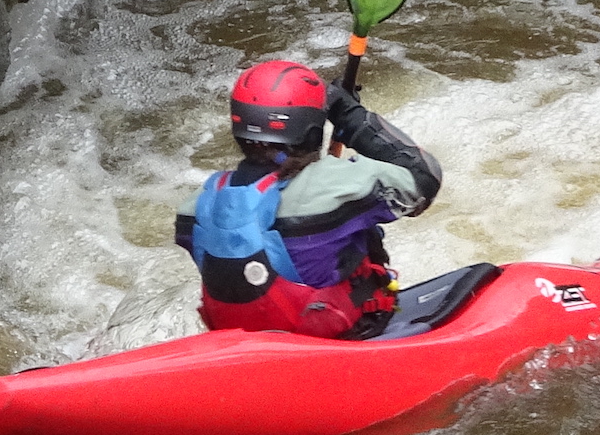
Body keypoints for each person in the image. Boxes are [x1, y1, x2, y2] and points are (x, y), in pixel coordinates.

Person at [173, 59, 444, 337]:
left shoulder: (195, 208)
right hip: (347, 339)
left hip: (249, 349)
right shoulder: (331, 185)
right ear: (311, 130)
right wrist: (349, 117)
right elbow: (423, 178)